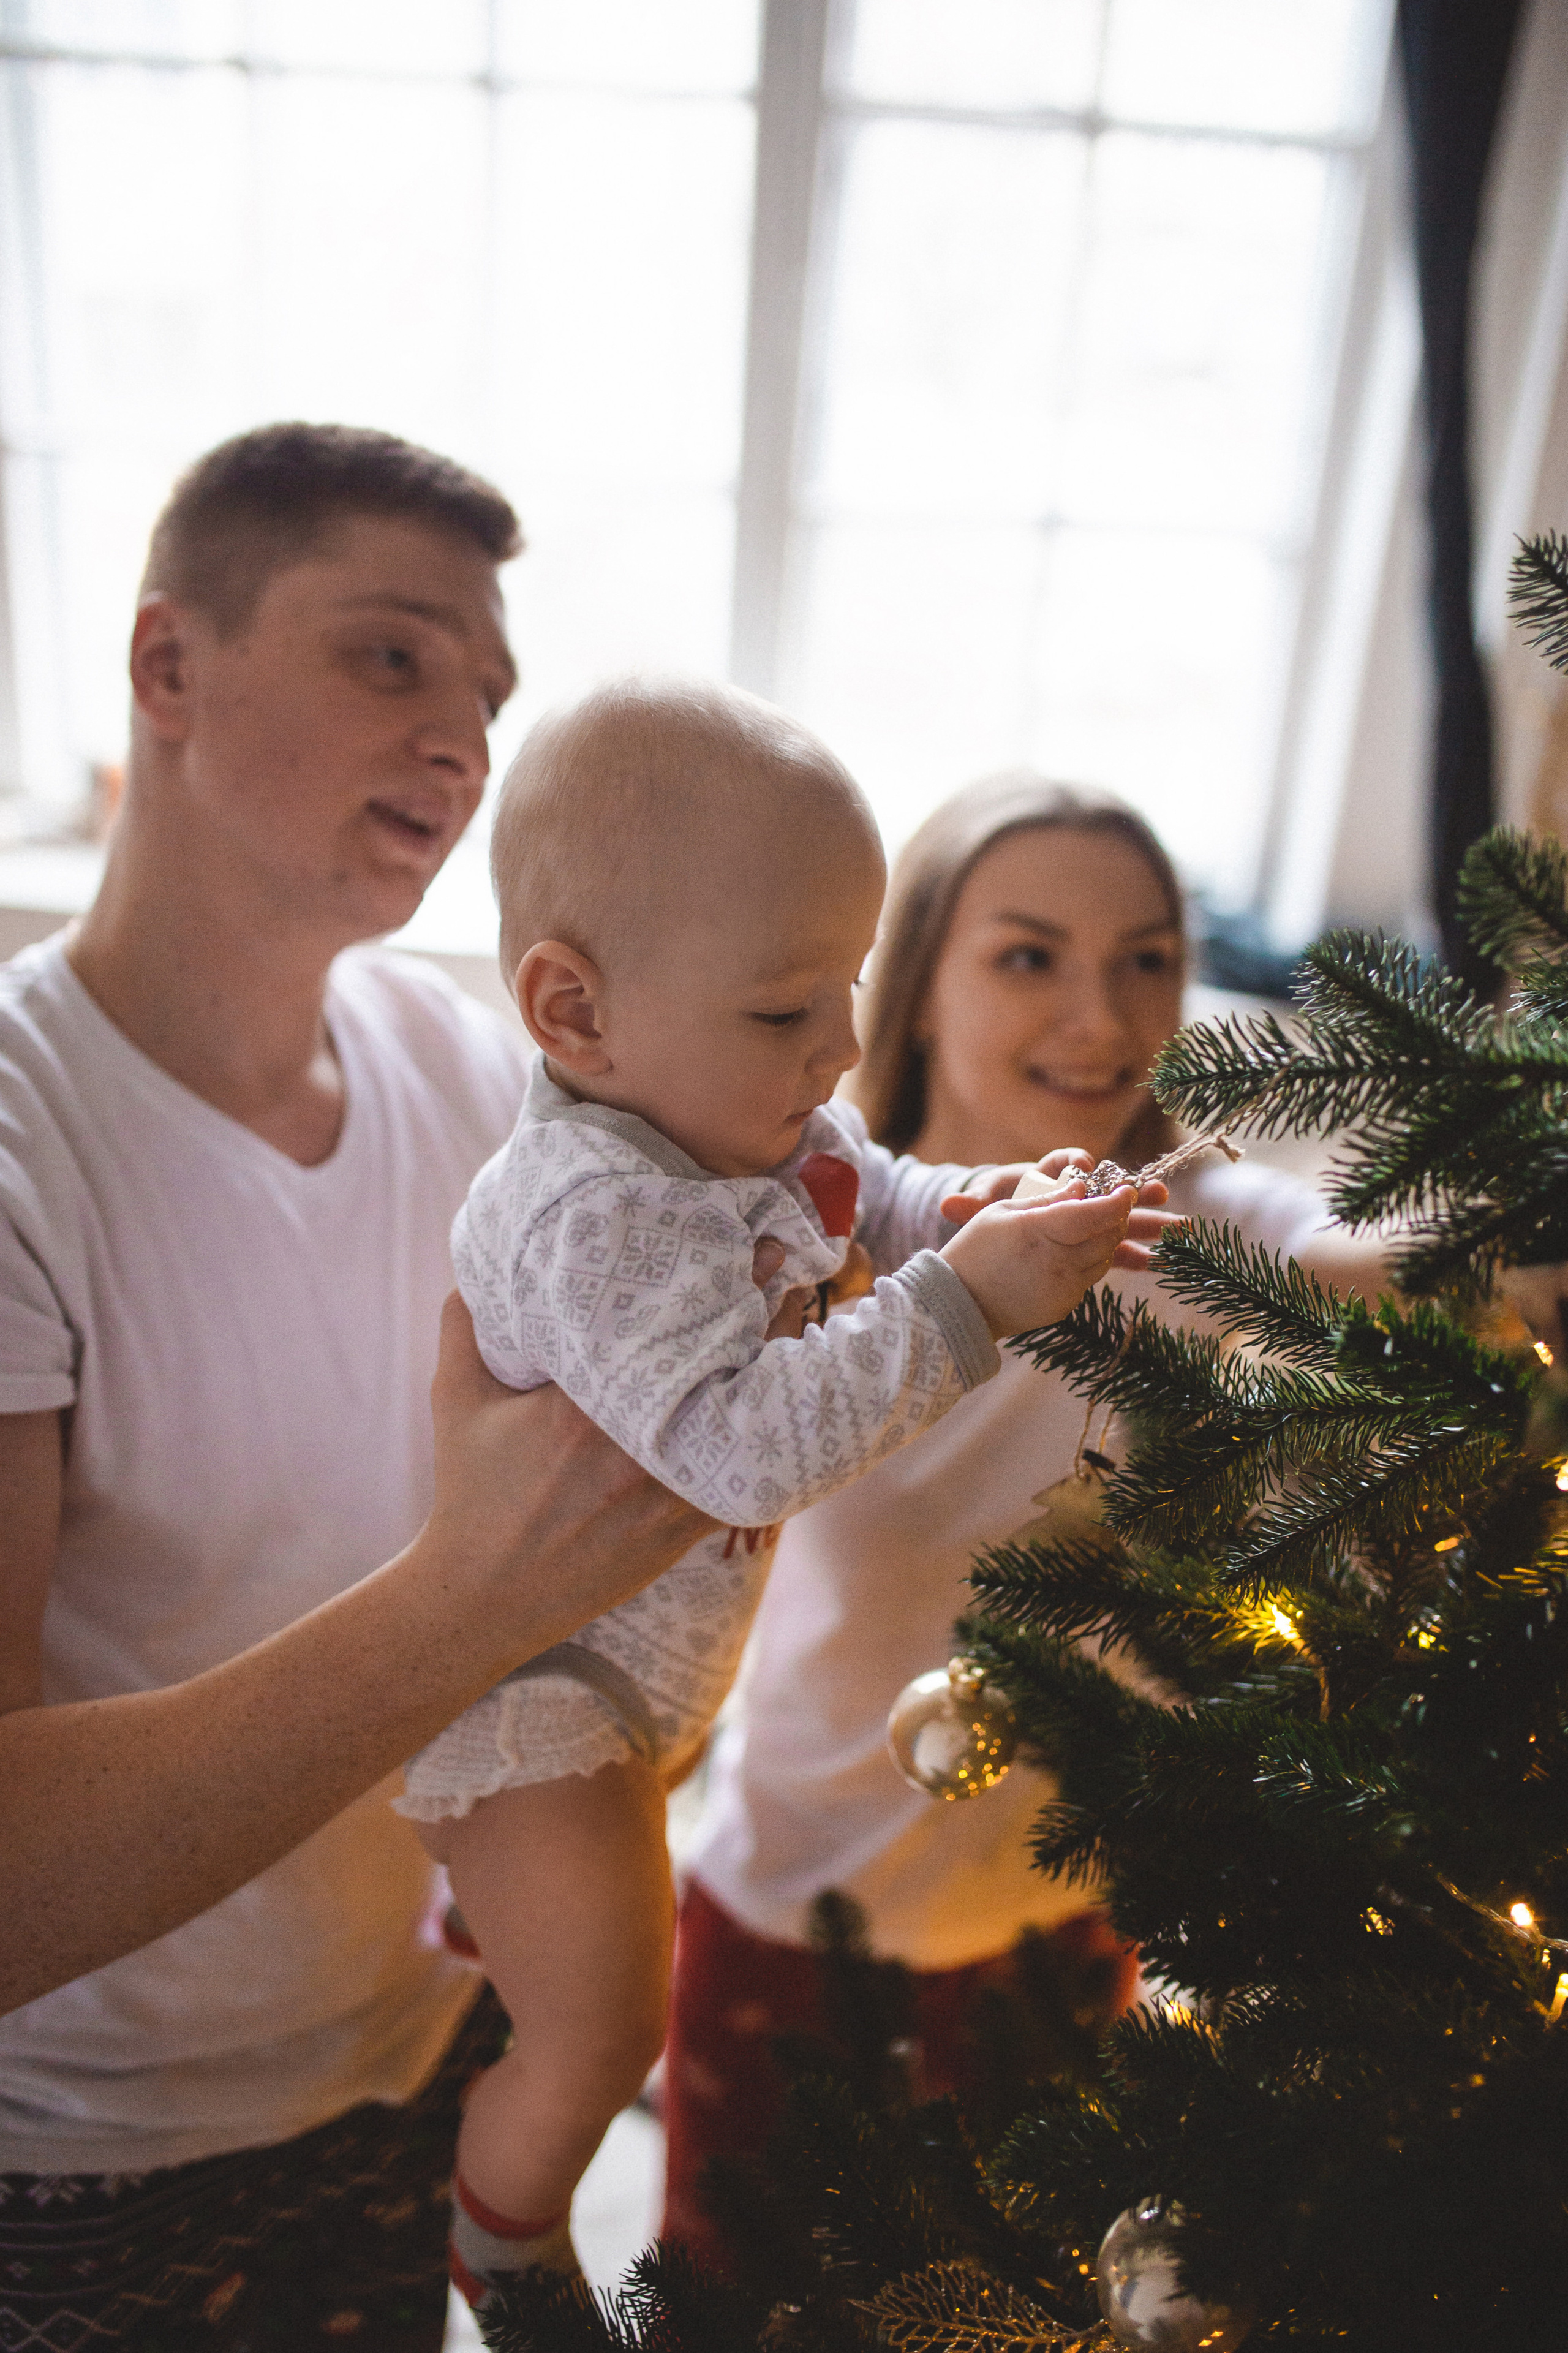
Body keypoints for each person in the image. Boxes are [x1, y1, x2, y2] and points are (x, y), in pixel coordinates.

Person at [0, 425, 726, 2352]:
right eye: (392, 656)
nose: (463, 743)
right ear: (169, 666)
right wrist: (471, 1601)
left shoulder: (475, 1071)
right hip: (85, 2161)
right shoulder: (21, 1143)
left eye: (487, 695)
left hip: (414, 2055)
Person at [400, 681, 1178, 2310]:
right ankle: (502, 2235)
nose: (834, 1047)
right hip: (545, 1692)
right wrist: (968, 1300)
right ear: (574, 1011)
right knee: (603, 2026)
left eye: (848, 987)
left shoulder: (735, 1115)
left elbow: (864, 1185)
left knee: (584, 1973)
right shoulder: (590, 1210)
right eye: (783, 1010)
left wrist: (969, 1204)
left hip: (651, 1696)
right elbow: (742, 1446)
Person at [662, 770, 1391, 2272]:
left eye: (1144, 959)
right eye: (1027, 955)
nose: (1100, 1016)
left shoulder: (1194, 1230)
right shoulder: (808, 1236)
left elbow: (1371, 1257)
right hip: (793, 1926)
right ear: (916, 987)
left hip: (1058, 1929)